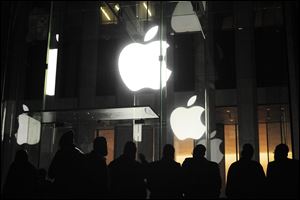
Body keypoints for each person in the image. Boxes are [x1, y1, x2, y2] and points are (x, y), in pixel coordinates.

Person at [48, 130, 86, 198]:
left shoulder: (60, 154)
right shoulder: (79, 153)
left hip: (60, 189)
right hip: (75, 189)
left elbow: (51, 174)